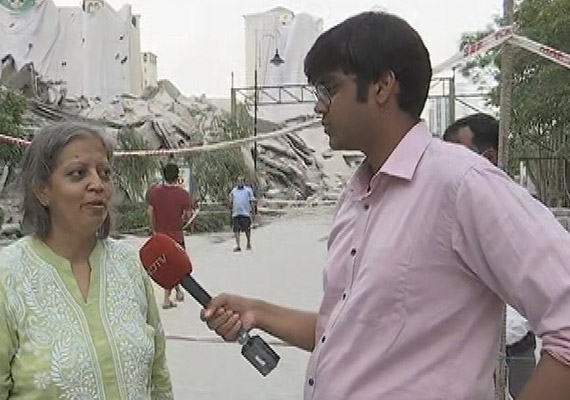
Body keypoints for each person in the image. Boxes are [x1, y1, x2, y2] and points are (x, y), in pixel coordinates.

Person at [201, 11, 570, 400]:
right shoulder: (357, 198)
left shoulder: (462, 184)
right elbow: (345, 334)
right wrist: (258, 312)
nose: (318, 107)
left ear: (382, 86)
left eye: (329, 89)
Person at [0, 122, 173, 399]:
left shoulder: (129, 266)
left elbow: (158, 379)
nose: (98, 184)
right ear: (42, 190)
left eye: (104, 173)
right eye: (78, 174)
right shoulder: (1, 281)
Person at [444, 112, 538, 398]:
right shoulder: (446, 211)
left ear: (490, 157)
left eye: (456, 155)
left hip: (515, 339)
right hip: (467, 346)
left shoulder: (519, 211)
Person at [147, 163, 193, 309]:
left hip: (161, 236)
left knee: (167, 266)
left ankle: (178, 292)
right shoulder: (184, 195)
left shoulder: (154, 193)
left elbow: (150, 212)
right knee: (176, 267)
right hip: (176, 236)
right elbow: (188, 216)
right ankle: (166, 300)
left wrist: (153, 230)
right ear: (177, 176)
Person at [229, 176, 256, 251]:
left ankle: (248, 243)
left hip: (245, 213)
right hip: (236, 213)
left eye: (241, 181)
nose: (239, 183)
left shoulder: (248, 190)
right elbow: (231, 201)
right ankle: (238, 245)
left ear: (244, 182)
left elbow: (252, 201)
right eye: (238, 181)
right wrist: (230, 210)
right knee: (236, 230)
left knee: (247, 229)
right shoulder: (233, 191)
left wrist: (253, 212)